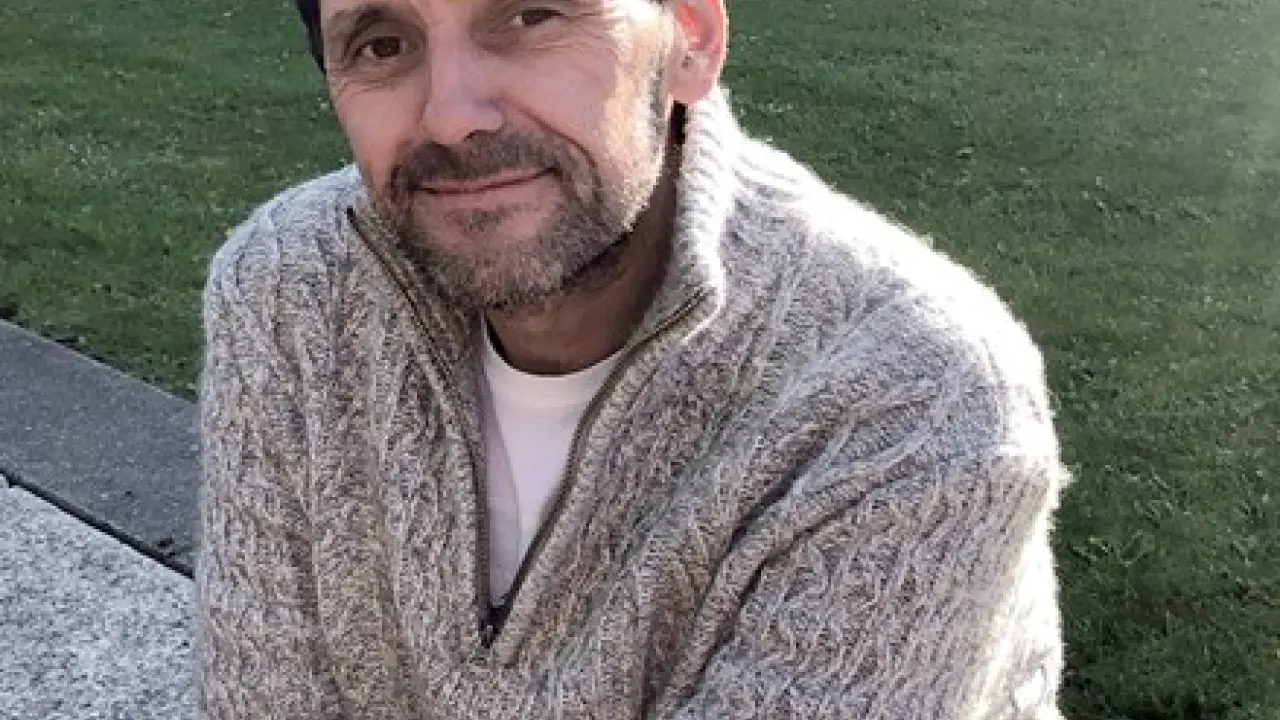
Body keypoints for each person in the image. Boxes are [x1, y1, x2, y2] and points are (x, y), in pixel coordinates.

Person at [194, 0, 1071, 717]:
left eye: (532, 16)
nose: (452, 115)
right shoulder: (291, 290)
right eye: (383, 44)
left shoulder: (913, 397)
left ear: (692, 38)